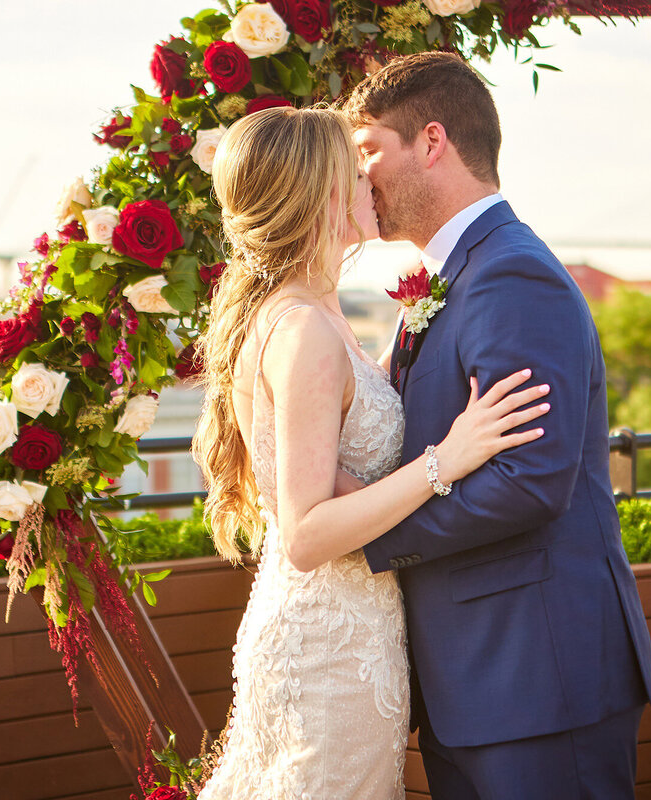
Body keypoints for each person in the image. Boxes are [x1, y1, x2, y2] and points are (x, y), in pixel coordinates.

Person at [191, 105, 550, 799]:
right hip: (331, 648)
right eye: (354, 173)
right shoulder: (305, 332)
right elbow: (304, 532)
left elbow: (339, 466)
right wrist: (447, 458)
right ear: (322, 193)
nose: (370, 185)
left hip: (345, 630)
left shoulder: (314, 312)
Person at [342, 51, 651, 799]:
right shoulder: (458, 276)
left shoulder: (512, 275)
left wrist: (364, 535)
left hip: (540, 678)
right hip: (476, 687)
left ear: (431, 141)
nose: (360, 182)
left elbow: (529, 481)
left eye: (369, 154)